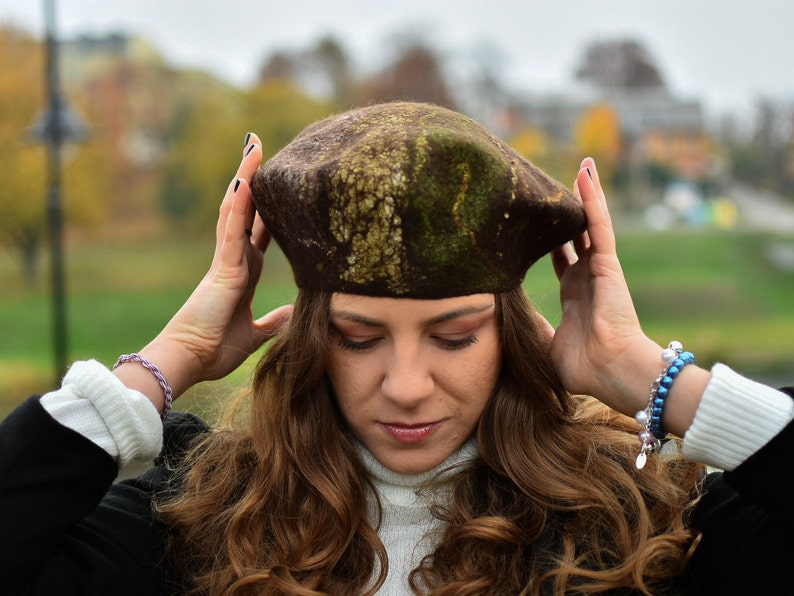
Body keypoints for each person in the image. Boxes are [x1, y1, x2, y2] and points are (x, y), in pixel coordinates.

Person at [1, 101, 793, 595]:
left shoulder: (636, 521)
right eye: (358, 337)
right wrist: (165, 362)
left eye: (453, 337)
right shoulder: (198, 516)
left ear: (508, 332)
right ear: (314, 339)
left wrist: (655, 379)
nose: (407, 386)